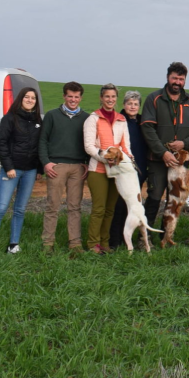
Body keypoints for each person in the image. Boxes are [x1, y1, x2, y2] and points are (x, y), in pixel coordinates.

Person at [141, 62, 189, 234]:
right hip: (157, 160)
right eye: (174, 78)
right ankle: (145, 237)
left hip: (180, 164)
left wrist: (185, 143)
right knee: (154, 198)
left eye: (181, 79)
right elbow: (147, 128)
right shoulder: (154, 99)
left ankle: (166, 235)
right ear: (168, 78)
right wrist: (163, 152)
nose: (177, 82)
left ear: (185, 80)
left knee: (173, 199)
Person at [0, 88, 42, 257]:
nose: (30, 100)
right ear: (20, 99)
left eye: (33, 98)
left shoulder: (37, 121)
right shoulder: (10, 118)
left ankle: (13, 244)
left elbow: (40, 146)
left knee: (20, 209)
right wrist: (8, 167)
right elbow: (0, 143)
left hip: (30, 171)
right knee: (0, 207)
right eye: (27, 97)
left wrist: (39, 169)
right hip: (12, 170)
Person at [39, 81, 90, 255]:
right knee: (52, 205)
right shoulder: (52, 115)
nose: (73, 100)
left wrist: (86, 162)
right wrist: (46, 162)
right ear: (64, 96)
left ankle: (75, 244)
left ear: (80, 98)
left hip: (77, 167)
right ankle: (47, 243)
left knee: (74, 206)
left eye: (76, 97)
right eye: (70, 96)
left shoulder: (86, 118)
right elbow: (43, 140)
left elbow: (89, 142)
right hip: (56, 166)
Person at [82, 84, 132, 254]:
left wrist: (129, 159)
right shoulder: (93, 119)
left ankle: (105, 243)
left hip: (116, 170)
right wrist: (105, 158)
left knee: (110, 209)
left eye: (113, 97)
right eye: (107, 97)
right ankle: (92, 244)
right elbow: (89, 146)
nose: (110, 100)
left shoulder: (121, 120)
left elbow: (125, 145)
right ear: (101, 98)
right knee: (99, 208)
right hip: (98, 170)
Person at [108, 90, 149, 248]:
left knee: (133, 205)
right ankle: (114, 241)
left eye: (136, 104)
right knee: (119, 204)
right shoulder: (118, 120)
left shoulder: (142, 122)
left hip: (139, 169)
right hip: (123, 170)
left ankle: (128, 240)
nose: (133, 106)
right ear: (124, 104)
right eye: (129, 103)